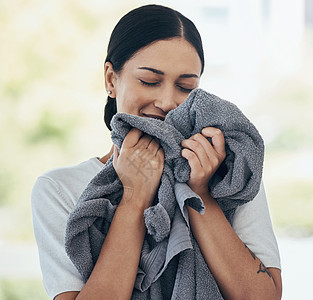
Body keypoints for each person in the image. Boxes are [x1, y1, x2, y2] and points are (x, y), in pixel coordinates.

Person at [31, 4, 282, 300]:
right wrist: (133, 199)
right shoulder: (59, 189)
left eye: (185, 87)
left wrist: (200, 193)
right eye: (150, 81)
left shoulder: (230, 173)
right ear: (112, 79)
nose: (167, 101)